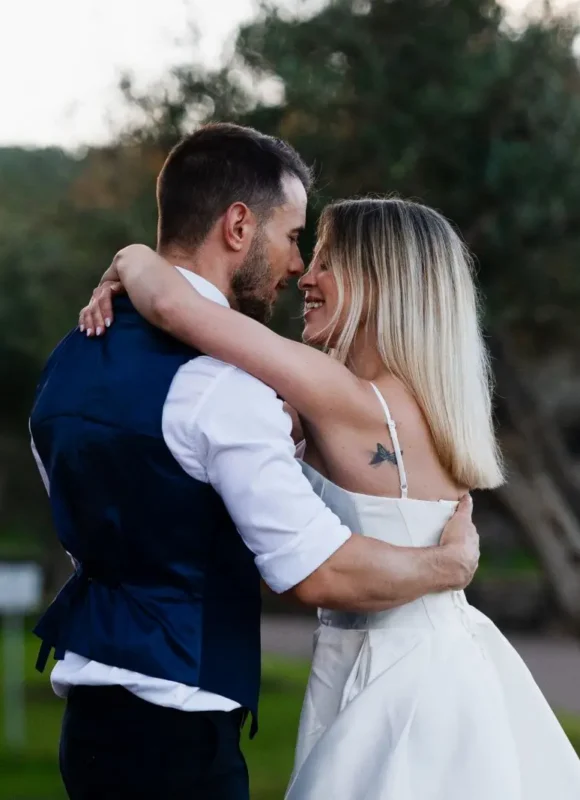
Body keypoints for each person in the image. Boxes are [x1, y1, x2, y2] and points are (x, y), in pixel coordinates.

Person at [30, 124, 478, 800]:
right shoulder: (225, 388)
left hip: (88, 723)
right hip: (180, 730)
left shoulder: (67, 361)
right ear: (239, 225)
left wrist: (128, 258)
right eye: (295, 237)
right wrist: (449, 564)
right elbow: (315, 571)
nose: (297, 267)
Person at [83, 196, 580, 799]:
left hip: (393, 680)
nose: (305, 279)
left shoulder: (348, 399)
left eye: (327, 262)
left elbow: (171, 305)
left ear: (379, 280)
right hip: (432, 656)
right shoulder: (414, 402)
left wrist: (130, 254)